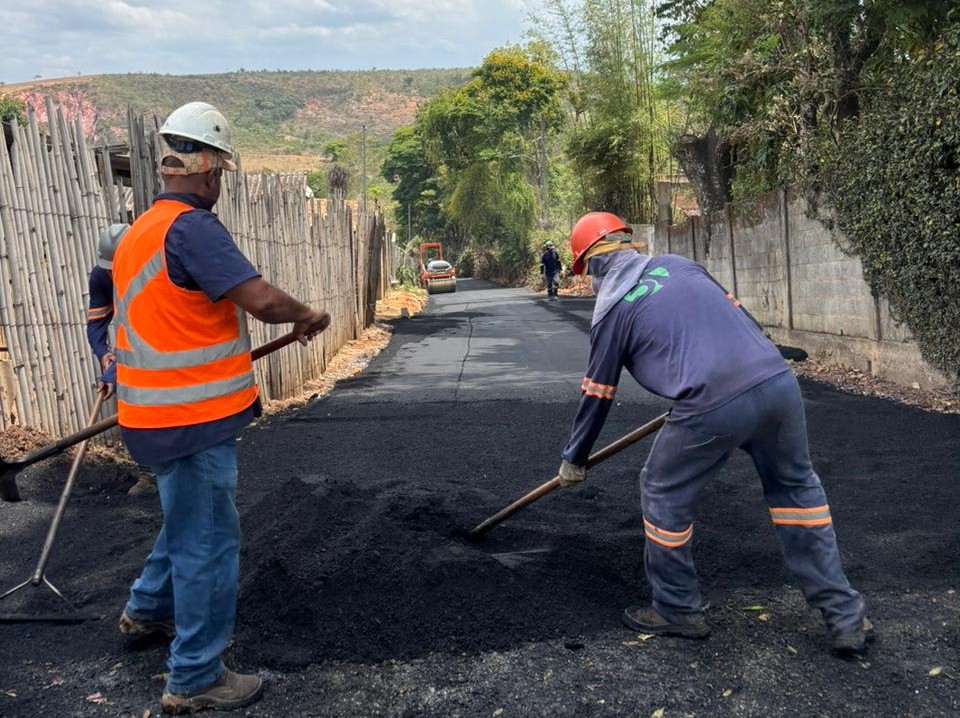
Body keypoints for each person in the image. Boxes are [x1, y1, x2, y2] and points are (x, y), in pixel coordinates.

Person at [556, 211, 872, 657]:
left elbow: (598, 392)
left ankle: (676, 609)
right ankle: (845, 616)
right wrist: (761, 363)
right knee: (796, 490)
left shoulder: (612, 311)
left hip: (710, 402)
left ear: (592, 263)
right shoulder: (682, 266)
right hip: (777, 382)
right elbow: (739, 316)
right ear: (628, 244)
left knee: (661, 489)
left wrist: (575, 456)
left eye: (585, 272)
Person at [113, 101, 331, 713]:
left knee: (187, 521)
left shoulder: (141, 232)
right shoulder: (193, 228)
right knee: (207, 541)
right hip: (189, 420)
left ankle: (146, 611)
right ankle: (196, 676)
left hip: (152, 418)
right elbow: (259, 299)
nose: (218, 186)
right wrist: (309, 314)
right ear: (207, 169)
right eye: (220, 175)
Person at [88, 224, 158, 496]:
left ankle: (175, 473)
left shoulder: (152, 276)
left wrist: (114, 371)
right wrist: (104, 356)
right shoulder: (102, 277)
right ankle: (148, 475)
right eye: (107, 267)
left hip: (163, 348)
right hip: (131, 349)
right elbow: (96, 323)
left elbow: (149, 329)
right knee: (131, 411)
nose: (110, 272)